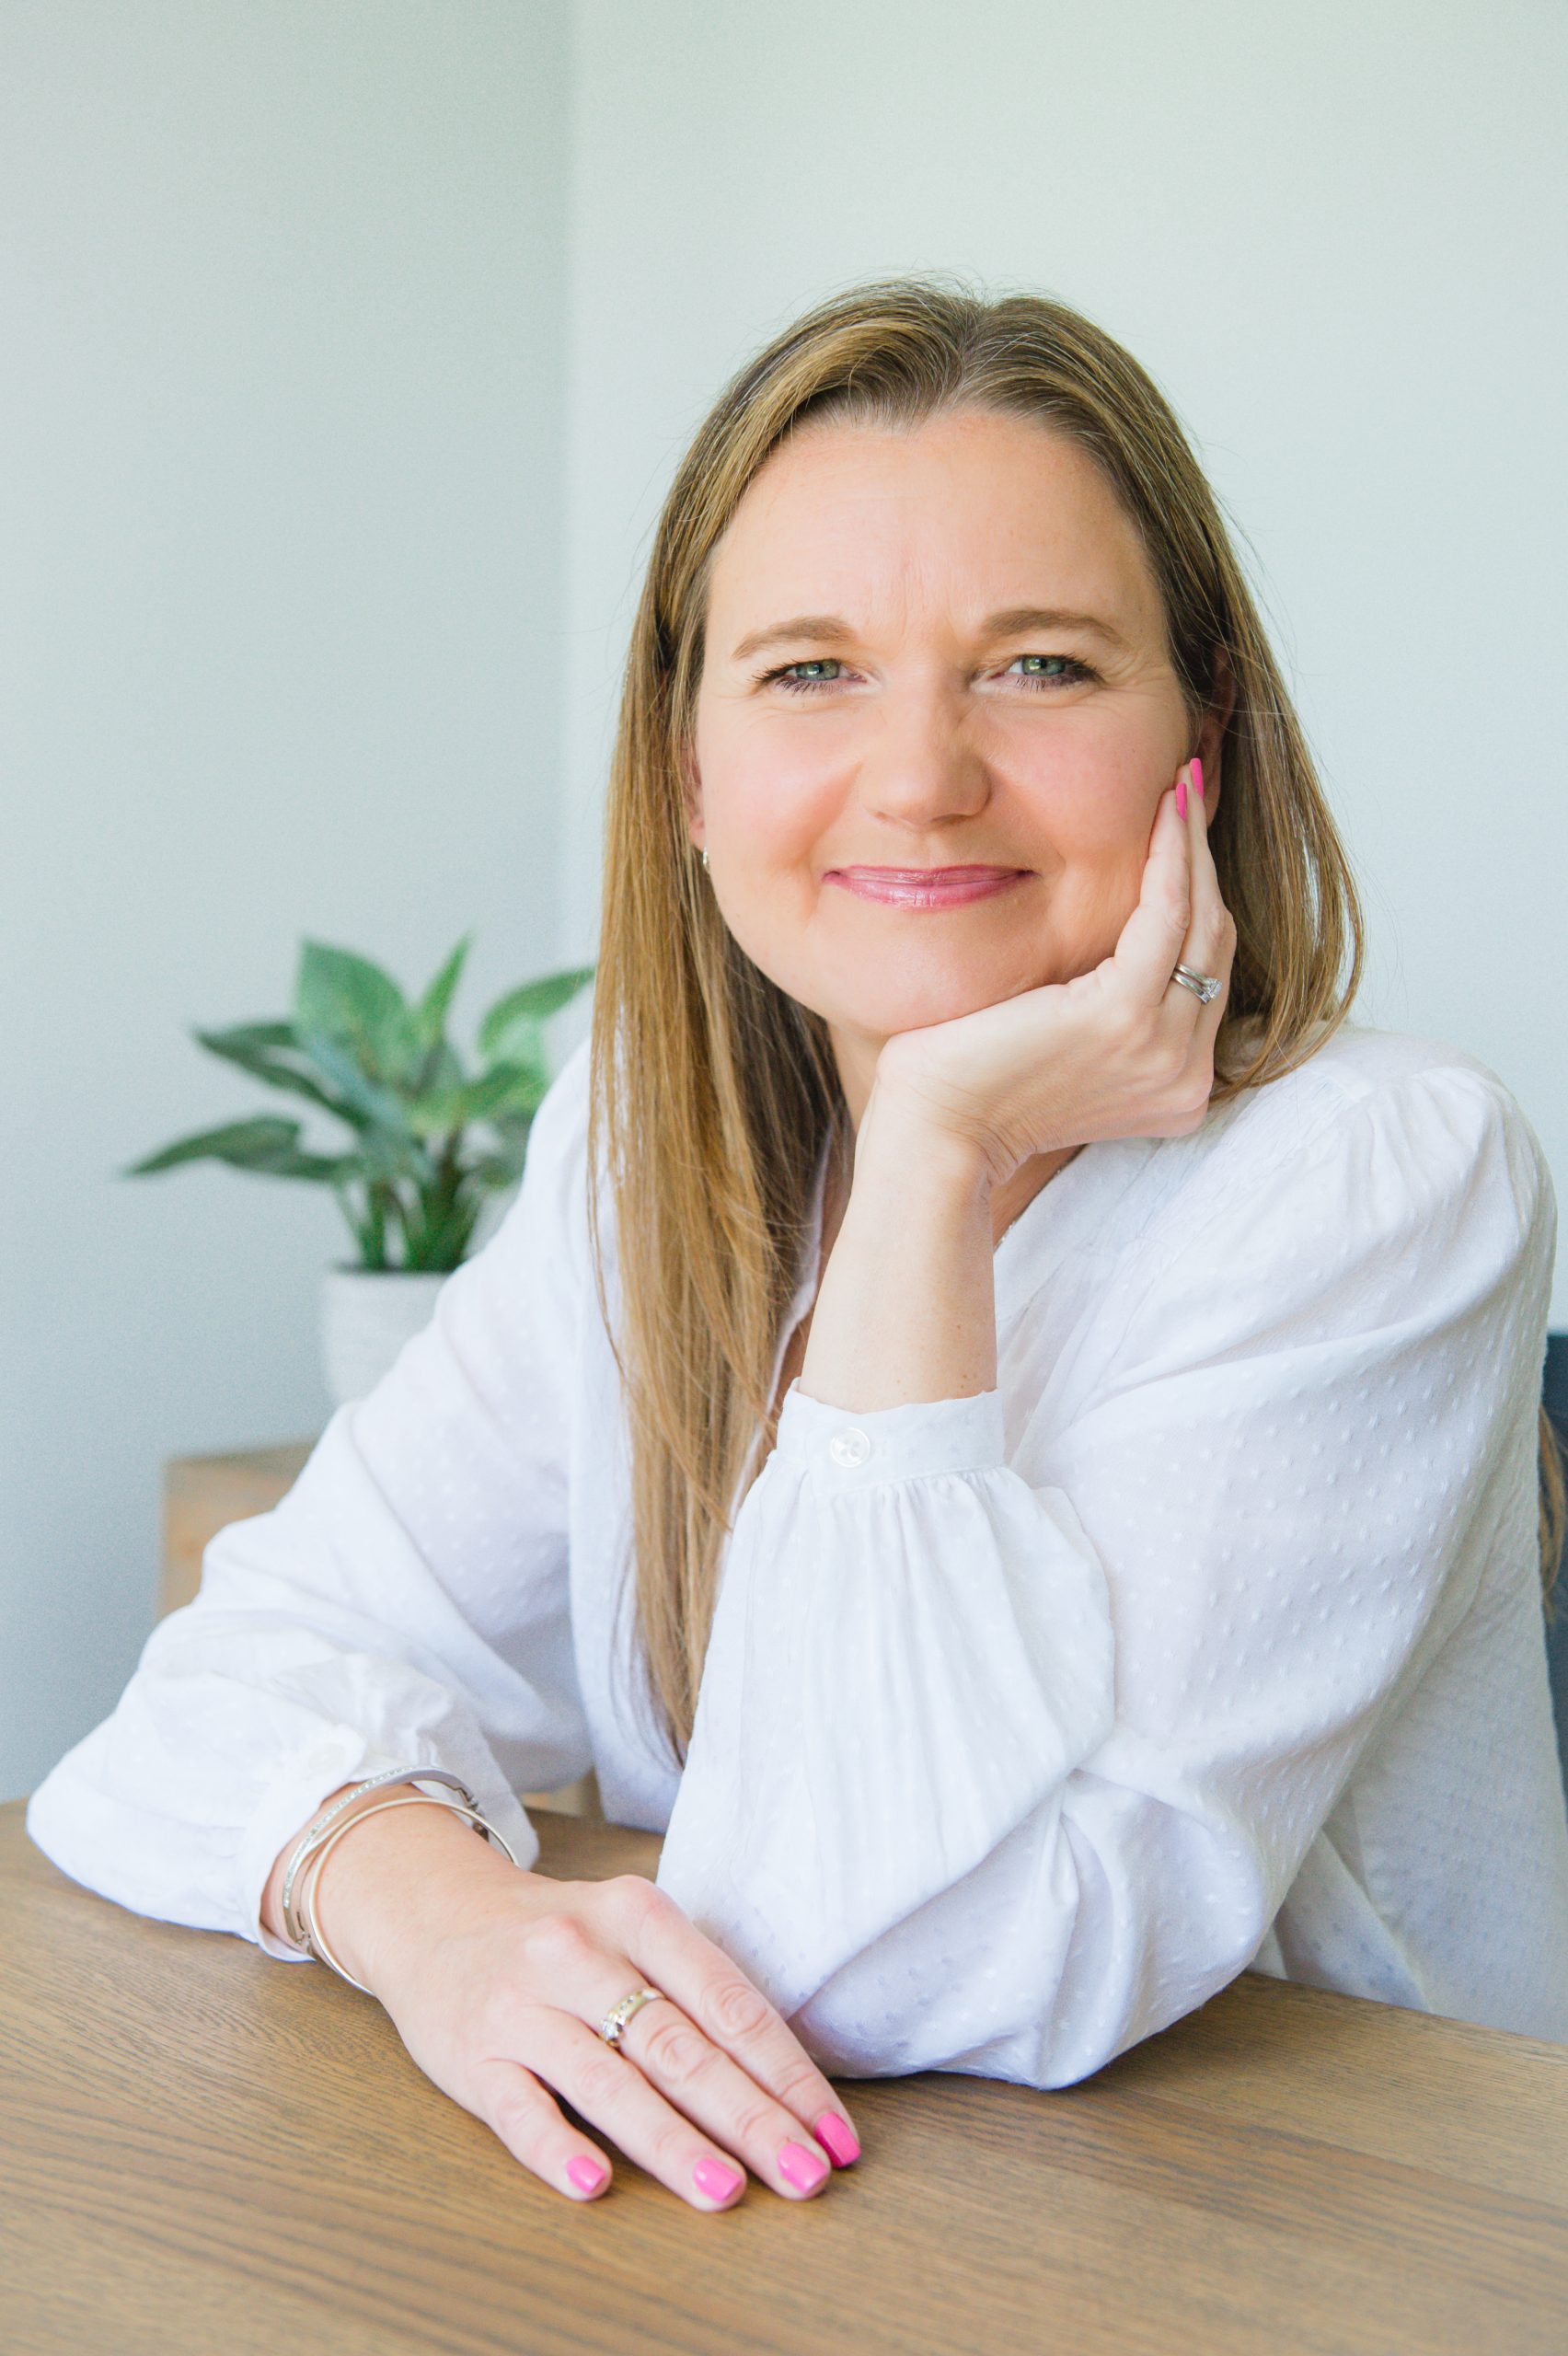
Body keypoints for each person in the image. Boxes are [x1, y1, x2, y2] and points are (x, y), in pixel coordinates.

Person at [29, 276, 1568, 2218]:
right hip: (789, 2243)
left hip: (1305, 2246)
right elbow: (197, 1707)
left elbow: (902, 1966)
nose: (920, 776)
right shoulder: (642, 1147)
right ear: (688, 768)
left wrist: (933, 1147)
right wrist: (428, 1916)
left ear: (1205, 731)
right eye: (811, 670)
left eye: (1040, 665)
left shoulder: (1381, 1179)